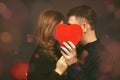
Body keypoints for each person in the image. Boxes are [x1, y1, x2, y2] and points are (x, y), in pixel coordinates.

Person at [60, 5, 114, 80]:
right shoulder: (76, 50)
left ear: (84, 27)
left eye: (71, 26)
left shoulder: (102, 57)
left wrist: (72, 63)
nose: (68, 31)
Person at [27, 10, 68, 80]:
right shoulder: (41, 54)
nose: (63, 30)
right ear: (49, 28)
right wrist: (58, 71)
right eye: (59, 27)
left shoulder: (54, 49)